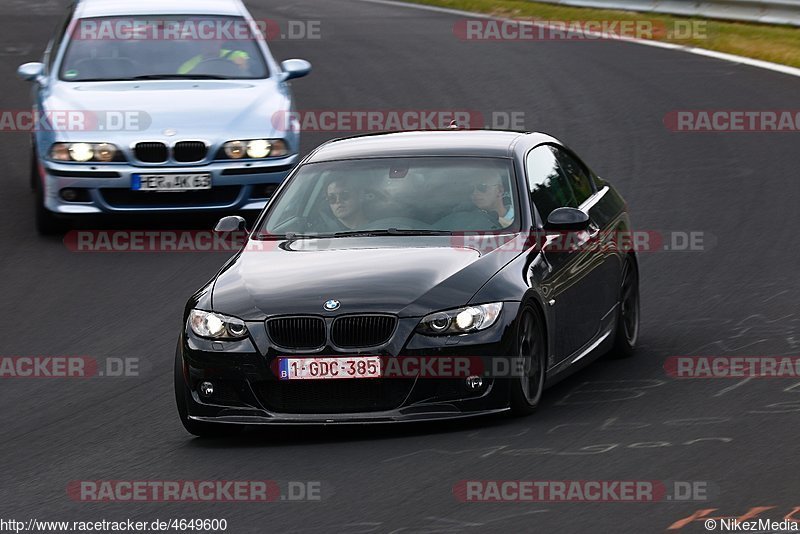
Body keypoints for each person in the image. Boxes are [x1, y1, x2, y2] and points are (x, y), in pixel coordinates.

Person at [177, 41, 250, 75]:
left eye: (214, 42)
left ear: (220, 43)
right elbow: (183, 81)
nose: (210, 46)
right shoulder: (188, 65)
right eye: (206, 43)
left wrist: (243, 64)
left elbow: (246, 62)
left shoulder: (234, 55)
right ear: (200, 45)